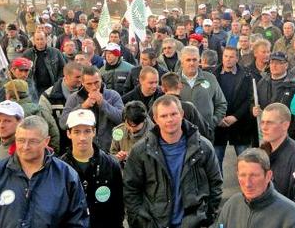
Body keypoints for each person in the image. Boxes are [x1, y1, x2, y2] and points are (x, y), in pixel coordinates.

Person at [0, 116, 89, 227]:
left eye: (33, 141)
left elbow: (78, 220)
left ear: (46, 141)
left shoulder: (66, 175)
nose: (25, 147)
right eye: (21, 140)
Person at [123, 95, 222, 228]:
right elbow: (131, 190)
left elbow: (215, 184)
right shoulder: (140, 151)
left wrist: (207, 217)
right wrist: (141, 222)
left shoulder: (203, 147)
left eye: (174, 114)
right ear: (155, 119)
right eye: (164, 116)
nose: (169, 119)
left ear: (182, 114)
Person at [60, 109, 124, 227]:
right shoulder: (59, 168)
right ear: (69, 134)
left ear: (94, 132)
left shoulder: (110, 165)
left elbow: (118, 207)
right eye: (77, 132)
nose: (82, 137)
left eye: (87, 131)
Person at [215, 148, 295, 227]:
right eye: (243, 175)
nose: (247, 183)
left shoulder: (292, 217)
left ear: (268, 176)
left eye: (254, 175)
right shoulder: (231, 205)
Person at [259, 102, 295, 213]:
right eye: (262, 122)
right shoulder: (263, 151)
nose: (264, 127)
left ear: (285, 125)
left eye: (269, 123)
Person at [60, 66, 124, 151]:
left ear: (101, 79)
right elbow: (63, 123)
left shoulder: (113, 95)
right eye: (89, 84)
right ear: (82, 83)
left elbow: (122, 119)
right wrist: (83, 107)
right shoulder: (74, 98)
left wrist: (103, 103)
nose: (94, 87)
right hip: (83, 149)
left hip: (110, 149)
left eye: (96, 82)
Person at [213, 46, 256, 170]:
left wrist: (236, 117)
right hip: (218, 125)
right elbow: (211, 98)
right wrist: (218, 118)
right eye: (225, 56)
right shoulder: (213, 74)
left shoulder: (246, 75)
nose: (228, 59)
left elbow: (249, 99)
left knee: (245, 162)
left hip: (240, 124)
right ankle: (218, 189)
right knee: (216, 162)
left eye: (231, 56)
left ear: (237, 58)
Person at [176, 45, 227, 133]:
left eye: (194, 59)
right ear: (181, 62)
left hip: (205, 132)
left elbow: (221, 103)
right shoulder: (174, 80)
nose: (192, 63)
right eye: (188, 60)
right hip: (180, 134)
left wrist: (213, 121)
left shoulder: (210, 78)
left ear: (199, 61)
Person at [23, 31, 66, 96]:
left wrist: (58, 83)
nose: (40, 42)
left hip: (52, 87)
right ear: (34, 41)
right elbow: (22, 70)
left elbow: (63, 68)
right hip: (34, 89)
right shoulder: (27, 54)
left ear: (46, 40)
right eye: (37, 39)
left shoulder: (56, 52)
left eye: (42, 39)